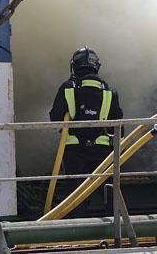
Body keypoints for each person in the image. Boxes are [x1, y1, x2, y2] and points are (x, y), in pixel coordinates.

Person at [49, 47, 123, 207]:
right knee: (109, 193)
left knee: (76, 196)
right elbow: (119, 126)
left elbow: (55, 118)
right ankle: (113, 226)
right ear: (97, 66)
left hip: (74, 152)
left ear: (74, 66)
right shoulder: (110, 92)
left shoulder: (68, 88)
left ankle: (77, 226)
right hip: (103, 153)